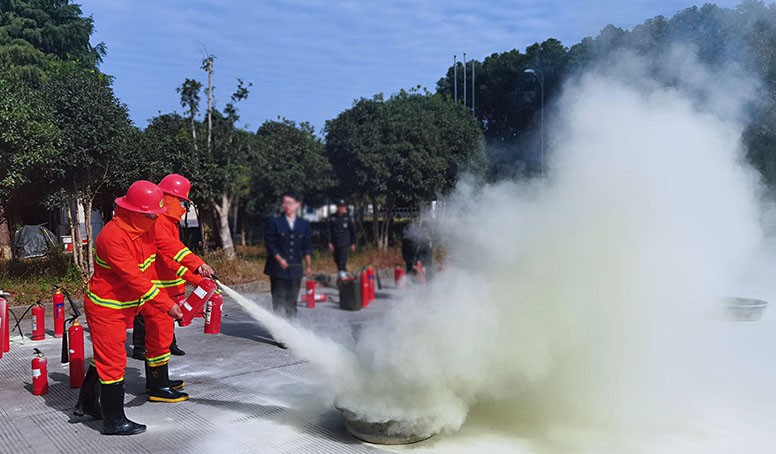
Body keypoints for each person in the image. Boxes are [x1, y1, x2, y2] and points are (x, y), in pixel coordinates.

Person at [74, 180, 183, 436]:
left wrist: (197, 264)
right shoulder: (112, 237)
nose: (156, 219)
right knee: (113, 362)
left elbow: (171, 246)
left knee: (105, 356)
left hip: (123, 307)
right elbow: (136, 279)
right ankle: (114, 421)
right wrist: (168, 305)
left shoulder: (145, 227)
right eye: (151, 215)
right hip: (106, 308)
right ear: (135, 212)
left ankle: (87, 402)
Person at [134, 173, 215, 396]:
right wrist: (198, 274)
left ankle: (159, 380)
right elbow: (170, 257)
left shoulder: (167, 223)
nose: (183, 207)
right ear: (167, 198)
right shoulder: (160, 223)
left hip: (166, 291)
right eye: (181, 201)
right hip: (159, 292)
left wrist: (197, 276)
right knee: (159, 339)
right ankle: (159, 388)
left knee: (162, 338)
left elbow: (174, 258)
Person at [263, 191, 312, 319]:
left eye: (289, 203)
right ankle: (279, 332)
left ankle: (291, 329)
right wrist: (279, 259)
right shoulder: (274, 221)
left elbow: (306, 247)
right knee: (278, 301)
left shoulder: (303, 224)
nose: (286, 206)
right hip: (278, 269)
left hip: (295, 268)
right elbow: (270, 244)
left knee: (292, 301)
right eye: (284, 203)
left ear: (297, 205)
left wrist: (308, 266)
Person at [327, 199, 356, 279]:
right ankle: (342, 274)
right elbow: (329, 231)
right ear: (337, 207)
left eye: (343, 207)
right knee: (337, 259)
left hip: (345, 242)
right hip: (335, 242)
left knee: (343, 259)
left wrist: (353, 243)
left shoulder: (348, 217)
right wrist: (329, 242)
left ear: (345, 207)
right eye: (340, 207)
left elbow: (353, 231)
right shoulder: (332, 218)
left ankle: (342, 276)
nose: (341, 208)